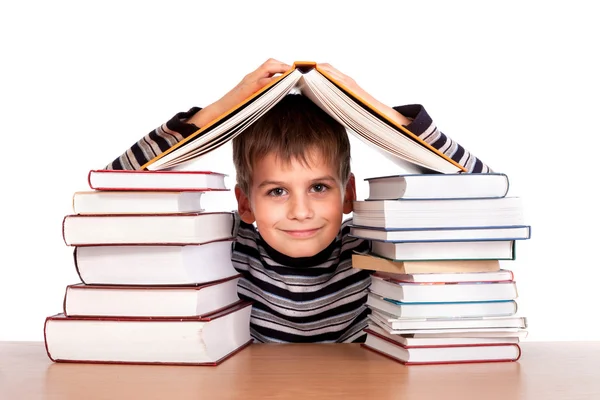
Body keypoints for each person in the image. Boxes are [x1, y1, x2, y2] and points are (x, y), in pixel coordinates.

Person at [105, 59, 491, 343]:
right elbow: (115, 192)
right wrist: (216, 112)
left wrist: (386, 116)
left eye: (319, 188)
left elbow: (482, 199)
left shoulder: (374, 250)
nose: (301, 211)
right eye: (277, 191)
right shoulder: (227, 250)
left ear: (349, 195)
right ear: (246, 204)